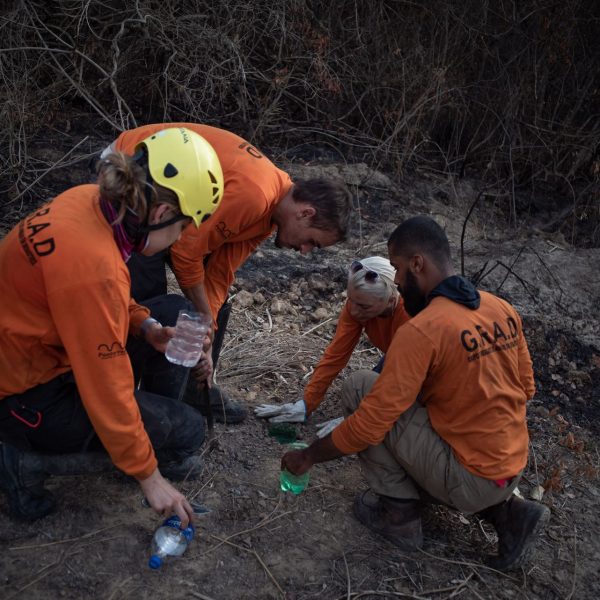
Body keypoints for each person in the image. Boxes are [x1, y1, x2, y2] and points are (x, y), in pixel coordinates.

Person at [281, 216, 550, 570]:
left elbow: (368, 427)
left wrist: (309, 456)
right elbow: (526, 388)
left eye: (397, 267)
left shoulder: (421, 329)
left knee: (359, 387)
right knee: (425, 411)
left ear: (417, 264)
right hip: (511, 467)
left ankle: (400, 517)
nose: (396, 279)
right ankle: (510, 513)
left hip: (469, 479)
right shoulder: (500, 307)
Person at [0, 127, 224, 527]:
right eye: (183, 228)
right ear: (161, 214)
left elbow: (100, 299)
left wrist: (147, 327)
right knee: (187, 429)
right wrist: (148, 475)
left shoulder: (86, 201)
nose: (179, 239)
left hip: (33, 351)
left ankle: (140, 433)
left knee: (171, 311)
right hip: (24, 396)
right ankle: (24, 462)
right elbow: (106, 384)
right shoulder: (94, 268)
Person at [100, 123, 353, 424]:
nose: (305, 251)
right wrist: (203, 319)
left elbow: (219, 273)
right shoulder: (257, 195)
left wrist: (207, 333)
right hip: (132, 172)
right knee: (153, 298)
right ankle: (125, 398)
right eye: (312, 241)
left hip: (174, 207)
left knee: (209, 310)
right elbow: (185, 250)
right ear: (306, 213)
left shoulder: (269, 215)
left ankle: (193, 388)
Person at [254, 257, 410, 429]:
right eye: (351, 300)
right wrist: (306, 404)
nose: (354, 311)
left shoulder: (411, 315)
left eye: (364, 307)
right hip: (395, 355)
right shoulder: (357, 306)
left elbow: (407, 375)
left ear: (390, 300)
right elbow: (336, 355)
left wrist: (363, 416)